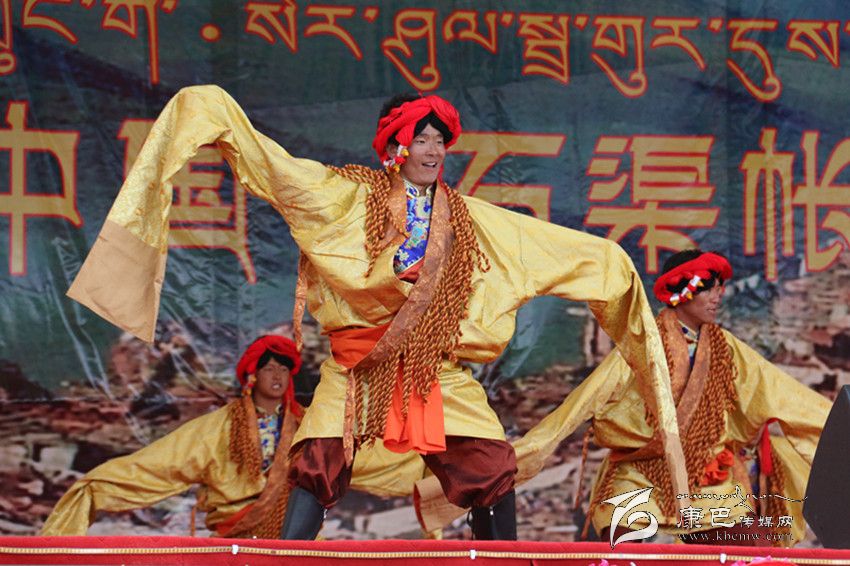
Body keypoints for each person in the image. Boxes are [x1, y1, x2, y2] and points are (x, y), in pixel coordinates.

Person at [66, 85, 688, 540]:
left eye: (440, 139)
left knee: (490, 465)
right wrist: (215, 113)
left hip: (432, 371)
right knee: (317, 459)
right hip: (358, 367)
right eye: (421, 137)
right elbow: (274, 169)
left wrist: (610, 261)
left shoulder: (470, 220)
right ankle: (286, 559)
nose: (433, 148)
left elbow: (551, 248)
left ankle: (501, 559)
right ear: (395, 145)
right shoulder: (344, 195)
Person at [447, 249, 828, 546]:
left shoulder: (727, 348)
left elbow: (786, 397)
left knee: (755, 551)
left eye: (718, 288)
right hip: (640, 476)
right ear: (683, 291)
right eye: (708, 288)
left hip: (709, 483)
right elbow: (581, 403)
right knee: (625, 548)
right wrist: (527, 452)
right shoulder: (641, 346)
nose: (717, 297)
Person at [41, 335, 305, 538]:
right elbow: (156, 466)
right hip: (236, 543)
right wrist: (95, 487)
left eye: (284, 369)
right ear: (253, 375)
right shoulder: (217, 428)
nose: (277, 376)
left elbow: (332, 466)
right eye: (270, 368)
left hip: (298, 543)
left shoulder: (307, 424)